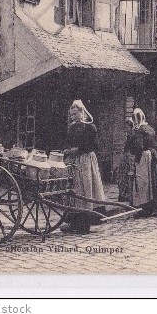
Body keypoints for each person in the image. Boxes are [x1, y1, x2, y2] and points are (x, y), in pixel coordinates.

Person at [62, 99, 105, 234]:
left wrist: (76, 150)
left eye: (75, 114)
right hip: (73, 161)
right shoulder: (72, 127)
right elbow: (69, 143)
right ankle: (74, 222)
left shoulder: (89, 127)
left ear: (82, 113)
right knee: (74, 192)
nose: (73, 117)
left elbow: (93, 146)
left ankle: (84, 224)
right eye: (71, 115)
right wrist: (67, 150)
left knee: (85, 190)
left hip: (86, 161)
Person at [124, 108, 157, 217]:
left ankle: (144, 207)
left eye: (135, 119)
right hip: (153, 156)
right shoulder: (149, 128)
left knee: (142, 182)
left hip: (143, 157)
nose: (134, 122)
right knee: (152, 182)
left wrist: (135, 160)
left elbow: (139, 147)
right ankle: (154, 207)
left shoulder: (140, 130)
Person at [117, 118, 135, 204]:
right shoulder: (128, 136)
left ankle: (128, 195)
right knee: (121, 176)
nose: (126, 129)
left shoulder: (134, 136)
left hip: (131, 158)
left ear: (132, 127)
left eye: (127, 127)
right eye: (125, 128)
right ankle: (123, 195)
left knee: (129, 177)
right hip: (125, 158)